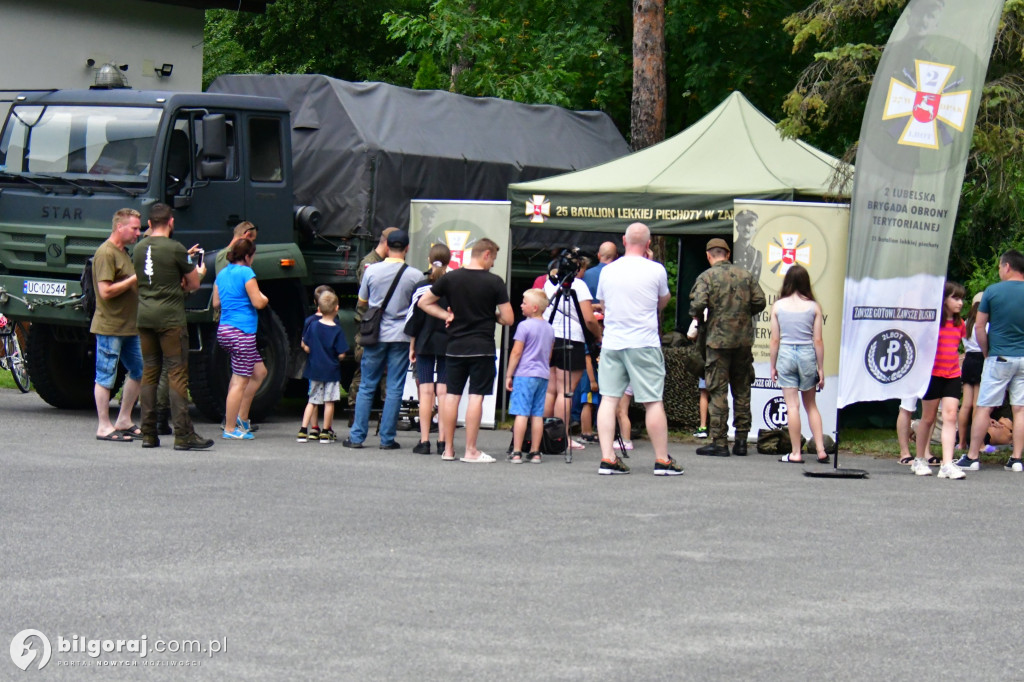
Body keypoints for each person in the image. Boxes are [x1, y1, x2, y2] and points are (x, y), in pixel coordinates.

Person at [594, 222, 681, 476]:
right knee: (653, 401)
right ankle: (662, 460)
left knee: (609, 399)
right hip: (643, 342)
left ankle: (608, 458)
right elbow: (663, 300)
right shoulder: (656, 270)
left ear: (624, 240)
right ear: (649, 244)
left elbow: (602, 303)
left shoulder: (608, 271)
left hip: (613, 342)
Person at [418, 238, 514, 463]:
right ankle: (471, 450)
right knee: (476, 397)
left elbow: (424, 302)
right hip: (482, 348)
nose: (492, 264)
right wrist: (492, 315)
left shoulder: (451, 278)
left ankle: (448, 449)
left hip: (454, 347)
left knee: (451, 397)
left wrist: (447, 315)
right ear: (487, 254)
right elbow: (508, 318)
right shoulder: (495, 282)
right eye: (493, 259)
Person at [133, 203, 212, 450]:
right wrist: (199, 272)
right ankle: (182, 433)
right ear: (171, 222)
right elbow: (193, 284)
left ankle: (148, 432)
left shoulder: (138, 248)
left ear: (148, 224)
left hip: (145, 316)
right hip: (170, 319)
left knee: (150, 371)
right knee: (177, 373)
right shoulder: (176, 249)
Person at [344, 229, 421, 450]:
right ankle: (387, 438)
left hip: (375, 334)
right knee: (395, 386)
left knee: (367, 384)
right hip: (402, 336)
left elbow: (363, 302)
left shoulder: (371, 271)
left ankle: (357, 436)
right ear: (406, 248)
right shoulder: (415, 275)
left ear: (387, 247)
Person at [689, 237, 766, 457]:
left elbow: (697, 304)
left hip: (717, 341)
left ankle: (720, 442)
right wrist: (741, 313)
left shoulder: (707, 277)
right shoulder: (745, 276)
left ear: (708, 255)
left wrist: (704, 317)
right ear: (728, 254)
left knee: (717, 390)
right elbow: (760, 301)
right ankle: (741, 441)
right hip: (742, 341)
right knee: (742, 389)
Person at [957, 249, 1024, 472]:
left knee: (984, 407)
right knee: (1020, 409)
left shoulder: (992, 292)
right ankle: (1016, 459)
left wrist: (987, 352)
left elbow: (978, 326)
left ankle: (973, 456)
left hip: (999, 357)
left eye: (999, 267)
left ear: (1007, 266)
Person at [91, 208, 143, 442]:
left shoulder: (124, 252)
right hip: (109, 326)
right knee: (105, 375)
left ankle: (124, 419)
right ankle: (104, 425)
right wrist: (134, 279)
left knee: (140, 369)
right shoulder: (106, 253)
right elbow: (105, 291)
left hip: (130, 326)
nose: (138, 233)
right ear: (119, 227)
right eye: (134, 228)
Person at [769, 265, 829, 464]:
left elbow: (774, 340)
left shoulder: (778, 306)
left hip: (785, 353)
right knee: (811, 405)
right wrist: (820, 368)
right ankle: (820, 449)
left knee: (792, 406)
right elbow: (818, 341)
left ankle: (796, 452)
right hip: (807, 355)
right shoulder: (814, 307)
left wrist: (773, 365)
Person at [212, 238, 269, 440]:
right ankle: (230, 427)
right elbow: (258, 302)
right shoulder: (246, 272)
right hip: (242, 332)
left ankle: (242, 418)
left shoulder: (222, 273)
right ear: (247, 256)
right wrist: (265, 298)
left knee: (260, 372)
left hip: (225, 330)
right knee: (239, 381)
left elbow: (216, 303)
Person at [543, 257, 602, 450]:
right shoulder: (579, 285)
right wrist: (599, 336)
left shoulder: (549, 284)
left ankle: (542, 433)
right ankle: (561, 437)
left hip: (550, 336)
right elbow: (589, 319)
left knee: (550, 390)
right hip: (572, 338)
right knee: (566, 392)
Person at [909, 281, 966, 479]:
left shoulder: (961, 324)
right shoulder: (931, 324)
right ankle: (919, 459)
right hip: (932, 376)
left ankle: (947, 464)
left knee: (951, 416)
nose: (960, 303)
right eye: (955, 298)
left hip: (952, 375)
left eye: (962, 299)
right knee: (928, 418)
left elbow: (959, 348)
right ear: (944, 300)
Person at [405, 243, 451, 455]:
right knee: (444, 393)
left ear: (429, 261)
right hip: (448, 344)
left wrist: (412, 345)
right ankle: (444, 441)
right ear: (450, 261)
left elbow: (413, 320)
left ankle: (424, 441)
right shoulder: (454, 287)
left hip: (424, 343)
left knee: (425, 392)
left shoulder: (422, 287)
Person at [349, 227, 400, 402]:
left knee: (385, 368)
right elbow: (369, 296)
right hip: (370, 323)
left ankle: (385, 411)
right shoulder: (369, 264)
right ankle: (355, 409)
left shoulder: (379, 263)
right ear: (387, 244)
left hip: (378, 322)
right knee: (365, 367)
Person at [506, 288, 555, 463]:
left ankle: (517, 451)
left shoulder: (524, 326)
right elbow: (549, 354)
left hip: (525, 374)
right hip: (542, 374)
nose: (521, 305)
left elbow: (516, 352)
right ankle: (535, 451)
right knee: (537, 414)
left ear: (534, 308)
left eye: (524, 303)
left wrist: (509, 374)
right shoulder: (549, 329)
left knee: (521, 413)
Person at [300, 291, 350, 443]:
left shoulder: (313, 326)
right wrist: (337, 357)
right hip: (331, 371)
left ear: (319, 308)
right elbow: (342, 353)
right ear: (337, 308)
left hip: (314, 369)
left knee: (312, 400)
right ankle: (326, 431)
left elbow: (306, 346)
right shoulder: (337, 329)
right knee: (329, 402)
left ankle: (303, 430)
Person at [297, 285, 336, 442]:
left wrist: (309, 349)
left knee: (313, 397)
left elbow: (303, 343)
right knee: (329, 399)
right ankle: (328, 428)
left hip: (313, 364)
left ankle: (313, 428)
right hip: (330, 366)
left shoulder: (310, 321)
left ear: (315, 302)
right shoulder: (334, 321)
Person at [957, 292, 985, 451]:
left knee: (966, 404)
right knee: (978, 405)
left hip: (968, 361)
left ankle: (961, 442)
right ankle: (979, 444)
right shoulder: (986, 324)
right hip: (981, 360)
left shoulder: (965, 323)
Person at [732, 210, 763, 284]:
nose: (746, 228)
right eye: (743, 224)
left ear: (755, 230)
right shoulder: (730, 249)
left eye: (750, 225)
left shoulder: (757, 255)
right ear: (737, 228)